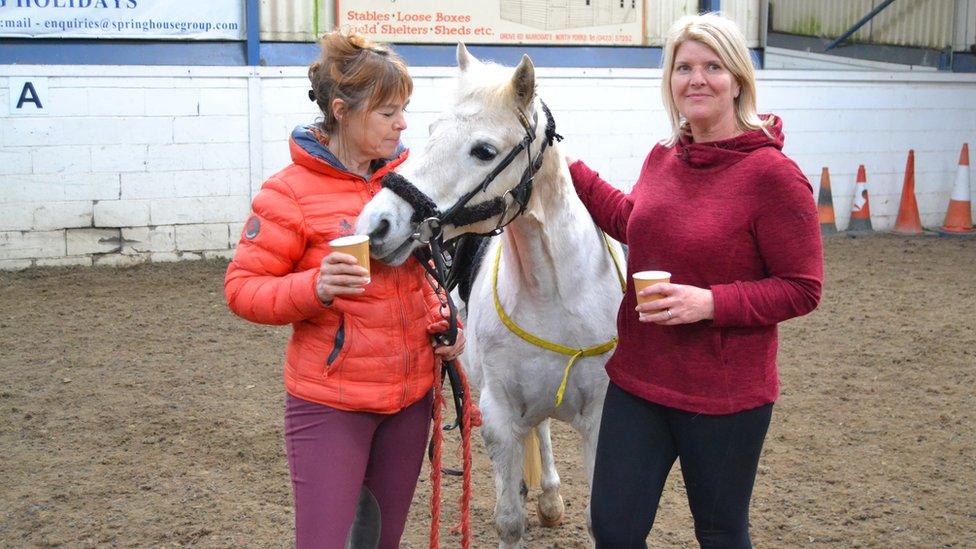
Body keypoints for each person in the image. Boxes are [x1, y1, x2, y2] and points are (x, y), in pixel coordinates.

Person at [566, 13, 823, 548]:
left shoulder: (773, 176)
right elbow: (633, 220)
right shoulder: (663, 158)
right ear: (670, 81)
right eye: (684, 67)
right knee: (612, 530)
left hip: (725, 394)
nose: (697, 79)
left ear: (738, 81)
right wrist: (567, 169)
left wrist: (710, 302)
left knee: (720, 532)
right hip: (640, 378)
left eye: (713, 66)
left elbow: (802, 287)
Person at [224, 31, 464, 549]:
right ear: (342, 111)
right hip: (332, 404)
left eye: (404, 110)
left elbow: (426, 275)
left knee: (381, 542)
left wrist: (446, 321)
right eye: (387, 113)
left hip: (409, 399)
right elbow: (242, 288)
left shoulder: (408, 182)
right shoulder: (287, 192)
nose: (402, 124)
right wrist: (316, 287)